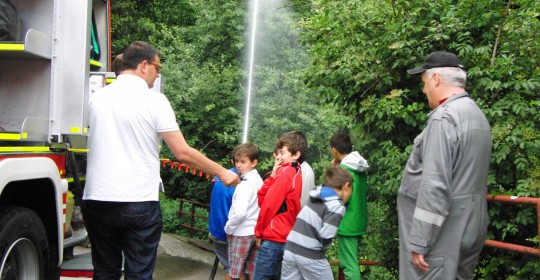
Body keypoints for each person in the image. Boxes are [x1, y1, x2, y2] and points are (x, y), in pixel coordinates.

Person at [83, 41, 240, 279]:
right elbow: (182, 152)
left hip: (96, 199)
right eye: (157, 68)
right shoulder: (155, 101)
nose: (157, 76)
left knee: (105, 271)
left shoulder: (97, 98)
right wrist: (223, 172)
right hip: (137, 200)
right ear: (144, 65)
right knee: (139, 273)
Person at [398, 51, 492, 279]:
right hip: (471, 226)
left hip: (442, 235)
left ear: (436, 79)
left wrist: (420, 239)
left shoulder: (444, 118)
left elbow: (434, 185)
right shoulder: (476, 115)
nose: (423, 90)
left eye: (424, 83)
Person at [281, 165, 353, 280]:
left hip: (290, 248)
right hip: (310, 253)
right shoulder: (337, 205)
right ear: (347, 186)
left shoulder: (317, 196)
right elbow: (326, 235)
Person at [253, 131, 306, 280]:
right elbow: (263, 198)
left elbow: (267, 205)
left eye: (282, 153)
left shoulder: (285, 173)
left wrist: (259, 232)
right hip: (285, 237)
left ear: (296, 154)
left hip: (273, 238)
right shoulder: (296, 171)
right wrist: (273, 174)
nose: (278, 157)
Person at [329, 132, 369, 280]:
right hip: (357, 220)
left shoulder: (344, 170)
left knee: (349, 265)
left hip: (347, 223)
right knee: (352, 262)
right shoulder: (358, 166)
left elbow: (340, 198)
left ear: (334, 150)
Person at [225, 143, 264, 280]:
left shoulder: (244, 184)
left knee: (235, 273)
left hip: (241, 232)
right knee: (250, 273)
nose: (239, 165)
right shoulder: (259, 181)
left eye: (243, 162)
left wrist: (228, 228)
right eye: (237, 161)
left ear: (254, 162)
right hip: (255, 232)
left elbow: (240, 212)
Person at [209, 164, 238, 280]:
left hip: (215, 231)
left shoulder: (219, 178)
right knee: (235, 270)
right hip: (229, 234)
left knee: (229, 267)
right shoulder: (239, 183)